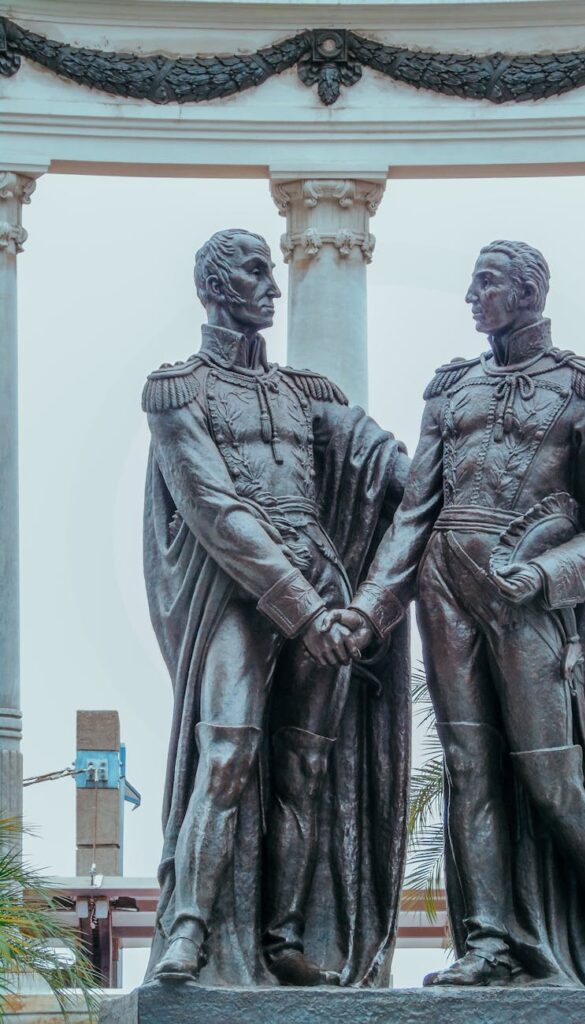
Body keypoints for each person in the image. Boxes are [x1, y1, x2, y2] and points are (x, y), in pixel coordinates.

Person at [331, 240, 585, 988]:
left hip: (528, 597)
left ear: (529, 291)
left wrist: (545, 573)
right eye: (474, 283)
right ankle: (486, 942)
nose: (472, 296)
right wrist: (369, 610)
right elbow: (414, 516)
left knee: (551, 775)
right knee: (470, 772)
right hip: (446, 589)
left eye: (487, 282)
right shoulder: (450, 391)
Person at [142, 229, 410, 988]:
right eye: (256, 272)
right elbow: (216, 510)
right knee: (227, 752)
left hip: (323, 585)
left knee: (306, 766)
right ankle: (189, 930)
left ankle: (284, 936)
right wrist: (306, 613)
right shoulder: (176, 390)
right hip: (242, 595)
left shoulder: (307, 392)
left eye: (270, 270)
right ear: (215, 287)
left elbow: (388, 464)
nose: (272, 286)